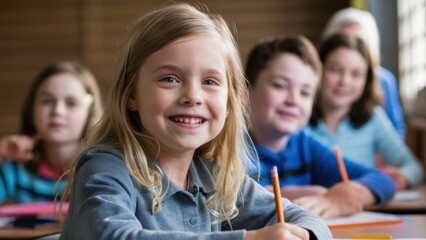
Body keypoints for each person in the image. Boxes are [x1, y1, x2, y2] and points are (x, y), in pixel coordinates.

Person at [59, 3, 332, 240]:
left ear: (228, 104)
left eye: (210, 82)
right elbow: (111, 236)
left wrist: (303, 235)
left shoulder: (213, 177)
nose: (193, 96)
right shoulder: (106, 168)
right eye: (170, 79)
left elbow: (305, 219)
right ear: (131, 94)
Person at [246, 34, 396, 219]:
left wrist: (346, 196)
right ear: (246, 94)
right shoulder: (231, 148)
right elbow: (234, 199)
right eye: (280, 86)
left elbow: (384, 181)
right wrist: (297, 195)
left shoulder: (305, 145)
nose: (294, 100)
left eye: (305, 92)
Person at [309, 33, 424, 190]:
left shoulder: (374, 119)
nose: (345, 81)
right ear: (318, 69)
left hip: (362, 209)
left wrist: (400, 178)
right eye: (335, 69)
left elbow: (413, 167)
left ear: (367, 80)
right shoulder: (299, 121)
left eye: (356, 74)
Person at [0, 61, 103, 204]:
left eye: (71, 103)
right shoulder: (16, 169)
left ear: (89, 113)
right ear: (32, 109)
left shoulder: (100, 170)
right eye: (47, 101)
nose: (58, 111)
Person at [321, 7, 406, 140]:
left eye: (359, 41)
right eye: (344, 39)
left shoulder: (385, 80)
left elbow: (396, 128)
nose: (351, 47)